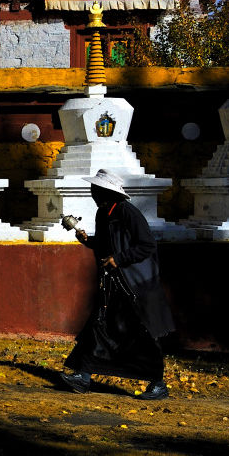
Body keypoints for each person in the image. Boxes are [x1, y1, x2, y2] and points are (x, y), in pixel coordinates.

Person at [61, 168, 175, 400]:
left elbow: (147, 246)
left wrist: (119, 259)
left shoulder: (127, 213)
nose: (92, 193)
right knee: (98, 326)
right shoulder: (103, 214)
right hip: (114, 284)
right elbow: (105, 246)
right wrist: (87, 241)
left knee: (142, 332)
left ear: (106, 192)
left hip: (135, 284)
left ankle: (158, 383)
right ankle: (83, 376)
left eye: (96, 189)